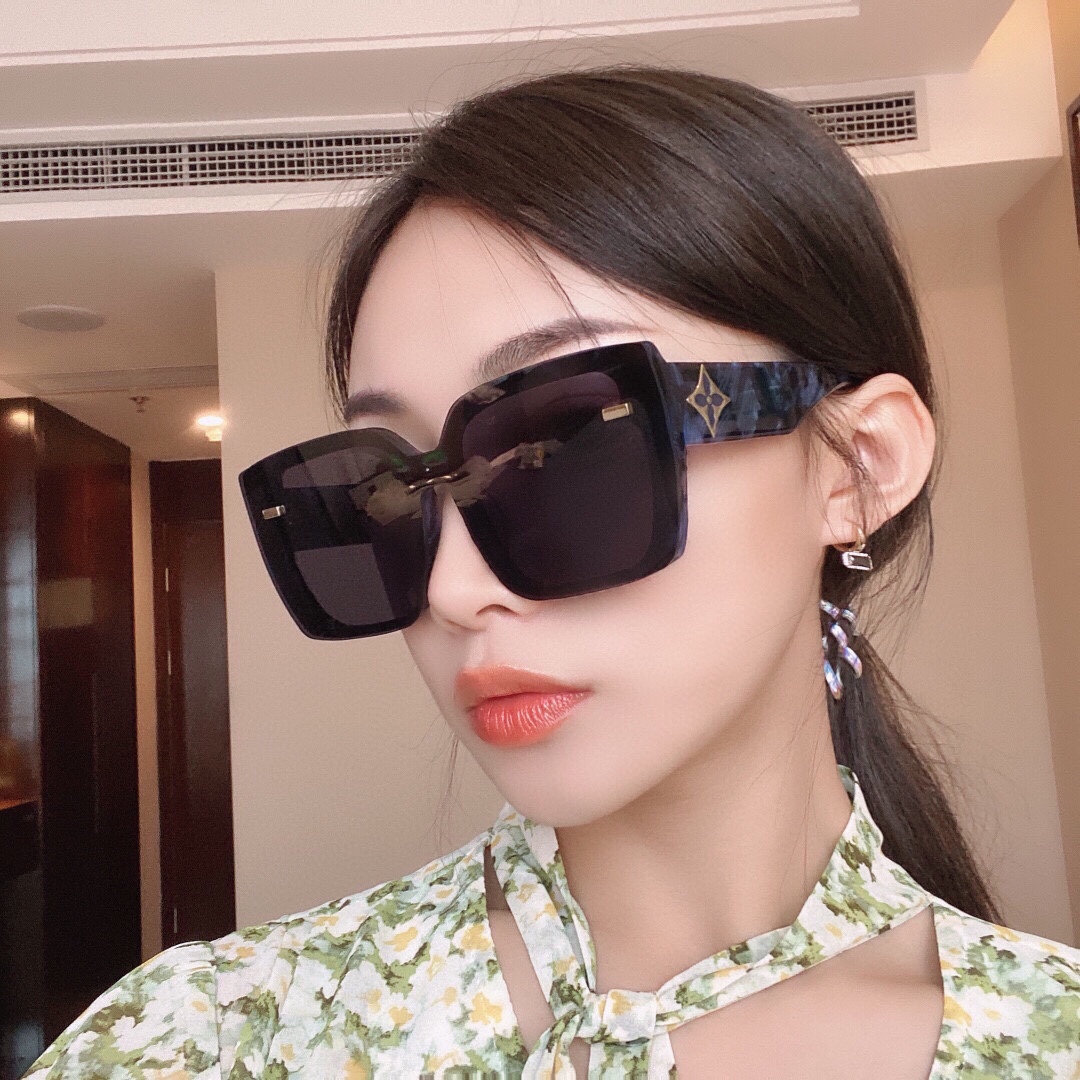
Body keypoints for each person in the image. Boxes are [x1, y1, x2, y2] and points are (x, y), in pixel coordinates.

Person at [25, 65, 1080, 1080]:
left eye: (564, 448)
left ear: (859, 465)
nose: (450, 590)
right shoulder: (210, 1038)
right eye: (386, 489)